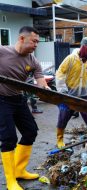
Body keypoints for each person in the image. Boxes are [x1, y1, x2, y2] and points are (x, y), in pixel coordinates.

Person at [0, 26, 50, 190]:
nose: (36, 44)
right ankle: (10, 181)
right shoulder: (2, 52)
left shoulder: (33, 61)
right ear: (22, 38)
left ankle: (19, 170)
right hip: (1, 100)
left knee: (30, 131)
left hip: (18, 99)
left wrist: (45, 89)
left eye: (38, 42)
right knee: (9, 138)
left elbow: (41, 81)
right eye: (34, 41)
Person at [55, 37, 87, 148]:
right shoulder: (70, 59)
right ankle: (60, 139)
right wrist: (62, 91)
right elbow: (60, 73)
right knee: (63, 117)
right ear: (83, 46)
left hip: (84, 94)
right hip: (69, 94)